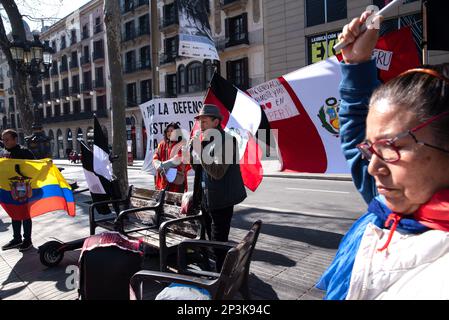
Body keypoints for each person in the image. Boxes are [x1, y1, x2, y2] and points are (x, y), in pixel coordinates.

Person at [316, 11, 449, 300]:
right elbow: (353, 141)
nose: (374, 167)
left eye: (392, 147)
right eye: (372, 148)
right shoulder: (392, 208)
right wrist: (356, 63)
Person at [189, 104, 247, 272]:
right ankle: (218, 271)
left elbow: (218, 172)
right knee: (210, 238)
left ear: (216, 122)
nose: (201, 125)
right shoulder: (205, 141)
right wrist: (192, 151)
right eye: (200, 121)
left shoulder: (228, 141)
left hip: (222, 199)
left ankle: (222, 278)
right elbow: (198, 169)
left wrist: (200, 151)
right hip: (206, 198)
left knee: (219, 241)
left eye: (205, 121)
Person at [1, 129, 36, 252]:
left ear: (15, 139)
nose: (4, 142)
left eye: (7, 139)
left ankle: (27, 240)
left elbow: (34, 167)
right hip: (8, 188)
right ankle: (17, 239)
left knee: (25, 214)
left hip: (22, 187)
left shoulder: (24, 151)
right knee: (14, 212)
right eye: (3, 140)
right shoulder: (4, 152)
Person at [152, 122, 189, 193]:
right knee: (165, 200)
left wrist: (162, 165)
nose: (169, 133)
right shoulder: (162, 144)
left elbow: (179, 158)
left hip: (177, 179)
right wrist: (158, 165)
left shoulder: (182, 144)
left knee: (177, 200)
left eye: (172, 131)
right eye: (168, 131)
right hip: (164, 179)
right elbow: (155, 157)